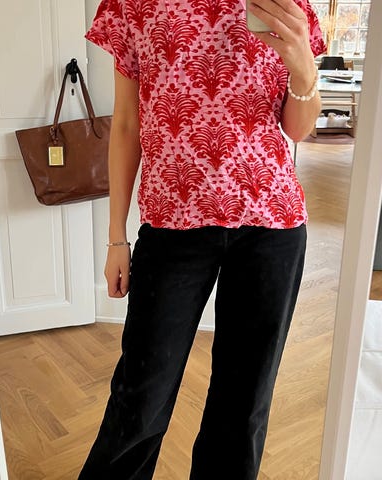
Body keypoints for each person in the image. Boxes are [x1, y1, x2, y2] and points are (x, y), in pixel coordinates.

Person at [80, 0, 326, 478]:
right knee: (140, 396)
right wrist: (116, 238)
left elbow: (297, 129)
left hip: (270, 224)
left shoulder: (288, 3)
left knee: (244, 403)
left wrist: (302, 65)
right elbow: (126, 124)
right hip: (171, 226)